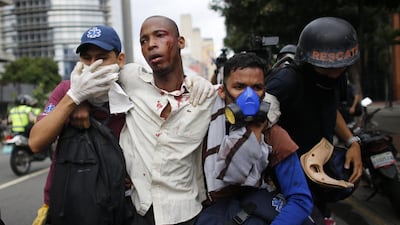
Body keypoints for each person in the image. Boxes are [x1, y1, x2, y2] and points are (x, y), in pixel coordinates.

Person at [117, 15, 216, 225]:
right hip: (139, 210)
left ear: (181, 42)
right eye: (143, 40)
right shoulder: (131, 79)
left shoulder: (205, 97)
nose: (151, 44)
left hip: (186, 213)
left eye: (159, 35)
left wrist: (201, 82)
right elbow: (94, 76)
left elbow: (265, 104)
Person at [265, 17, 363, 225]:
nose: (334, 73)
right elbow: (257, 126)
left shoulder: (338, 75)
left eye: (340, 67)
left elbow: (330, 108)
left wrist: (352, 142)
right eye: (327, 69)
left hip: (319, 170)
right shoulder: (286, 82)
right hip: (287, 178)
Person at [197, 52, 313, 225]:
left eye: (257, 88)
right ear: (221, 91)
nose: (248, 96)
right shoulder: (201, 126)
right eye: (239, 87)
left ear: (264, 92)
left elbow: (300, 200)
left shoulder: (272, 134)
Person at [29, 25, 126, 224]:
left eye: (102, 57)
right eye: (86, 58)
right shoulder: (66, 89)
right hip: (67, 204)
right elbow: (36, 142)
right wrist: (74, 97)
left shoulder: (130, 90)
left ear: (120, 60)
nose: (93, 65)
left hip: (119, 205)